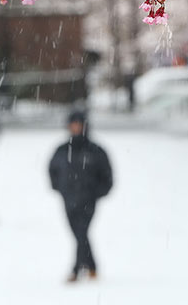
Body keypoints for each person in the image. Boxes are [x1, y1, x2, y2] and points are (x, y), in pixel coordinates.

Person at [49, 111, 113, 282]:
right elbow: (52, 171)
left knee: (81, 232)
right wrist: (59, 188)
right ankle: (91, 266)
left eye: (79, 124)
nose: (76, 127)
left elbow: (107, 176)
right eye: (73, 124)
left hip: (88, 200)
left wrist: (96, 192)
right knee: (79, 234)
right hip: (68, 199)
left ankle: (76, 270)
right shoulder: (62, 150)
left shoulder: (96, 150)